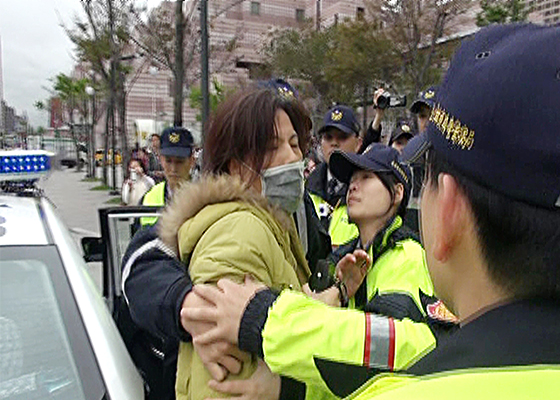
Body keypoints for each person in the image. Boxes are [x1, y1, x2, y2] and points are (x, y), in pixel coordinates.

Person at [189, 23, 560, 399]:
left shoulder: (408, 260)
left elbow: (408, 346)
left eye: (368, 177)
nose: (353, 185)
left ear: (448, 211)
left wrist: (271, 325)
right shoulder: (328, 239)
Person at [180, 146, 456, 399]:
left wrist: (289, 384)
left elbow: (383, 360)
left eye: (367, 176)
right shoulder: (344, 257)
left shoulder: (404, 255)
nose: (353, 185)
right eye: (352, 177)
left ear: (397, 194)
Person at [307, 105, 362, 248]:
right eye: (328, 137)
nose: (334, 143)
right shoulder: (306, 187)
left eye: (342, 137)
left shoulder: (366, 191)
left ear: (358, 144)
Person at [140, 127, 196, 226]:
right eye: (168, 161)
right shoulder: (149, 197)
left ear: (192, 161)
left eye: (180, 162)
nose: (173, 168)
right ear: (161, 160)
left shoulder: (203, 198)